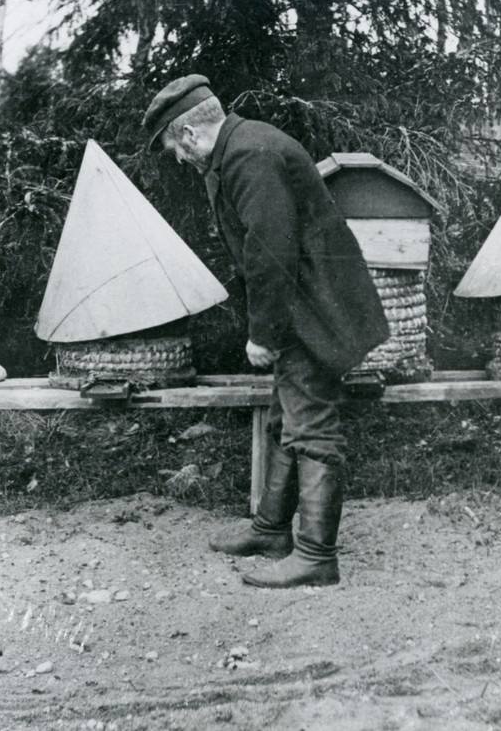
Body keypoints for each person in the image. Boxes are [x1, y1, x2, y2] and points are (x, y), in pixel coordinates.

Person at [143, 75, 389, 588]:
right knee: (285, 416)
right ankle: (272, 530)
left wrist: (263, 333)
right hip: (308, 307)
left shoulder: (248, 156)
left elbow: (270, 251)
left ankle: (316, 556)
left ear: (188, 133)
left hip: (316, 312)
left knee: (311, 426)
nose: (180, 159)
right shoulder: (242, 147)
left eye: (175, 148)